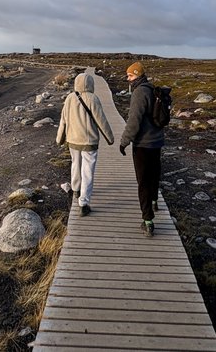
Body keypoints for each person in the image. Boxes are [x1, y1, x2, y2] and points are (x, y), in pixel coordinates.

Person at [56, 72, 114, 216]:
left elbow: (63, 119)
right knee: (87, 170)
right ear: (91, 84)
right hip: (89, 141)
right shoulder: (93, 98)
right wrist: (110, 138)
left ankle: (75, 189)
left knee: (75, 164)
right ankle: (84, 202)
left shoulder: (70, 98)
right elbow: (101, 120)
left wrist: (59, 138)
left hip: (73, 139)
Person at [118, 61, 163, 237]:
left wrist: (124, 142)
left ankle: (148, 220)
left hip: (142, 145)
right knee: (154, 174)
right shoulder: (153, 89)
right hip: (157, 142)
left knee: (143, 182)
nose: (128, 79)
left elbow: (133, 121)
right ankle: (154, 201)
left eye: (130, 75)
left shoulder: (139, 93)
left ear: (137, 74)